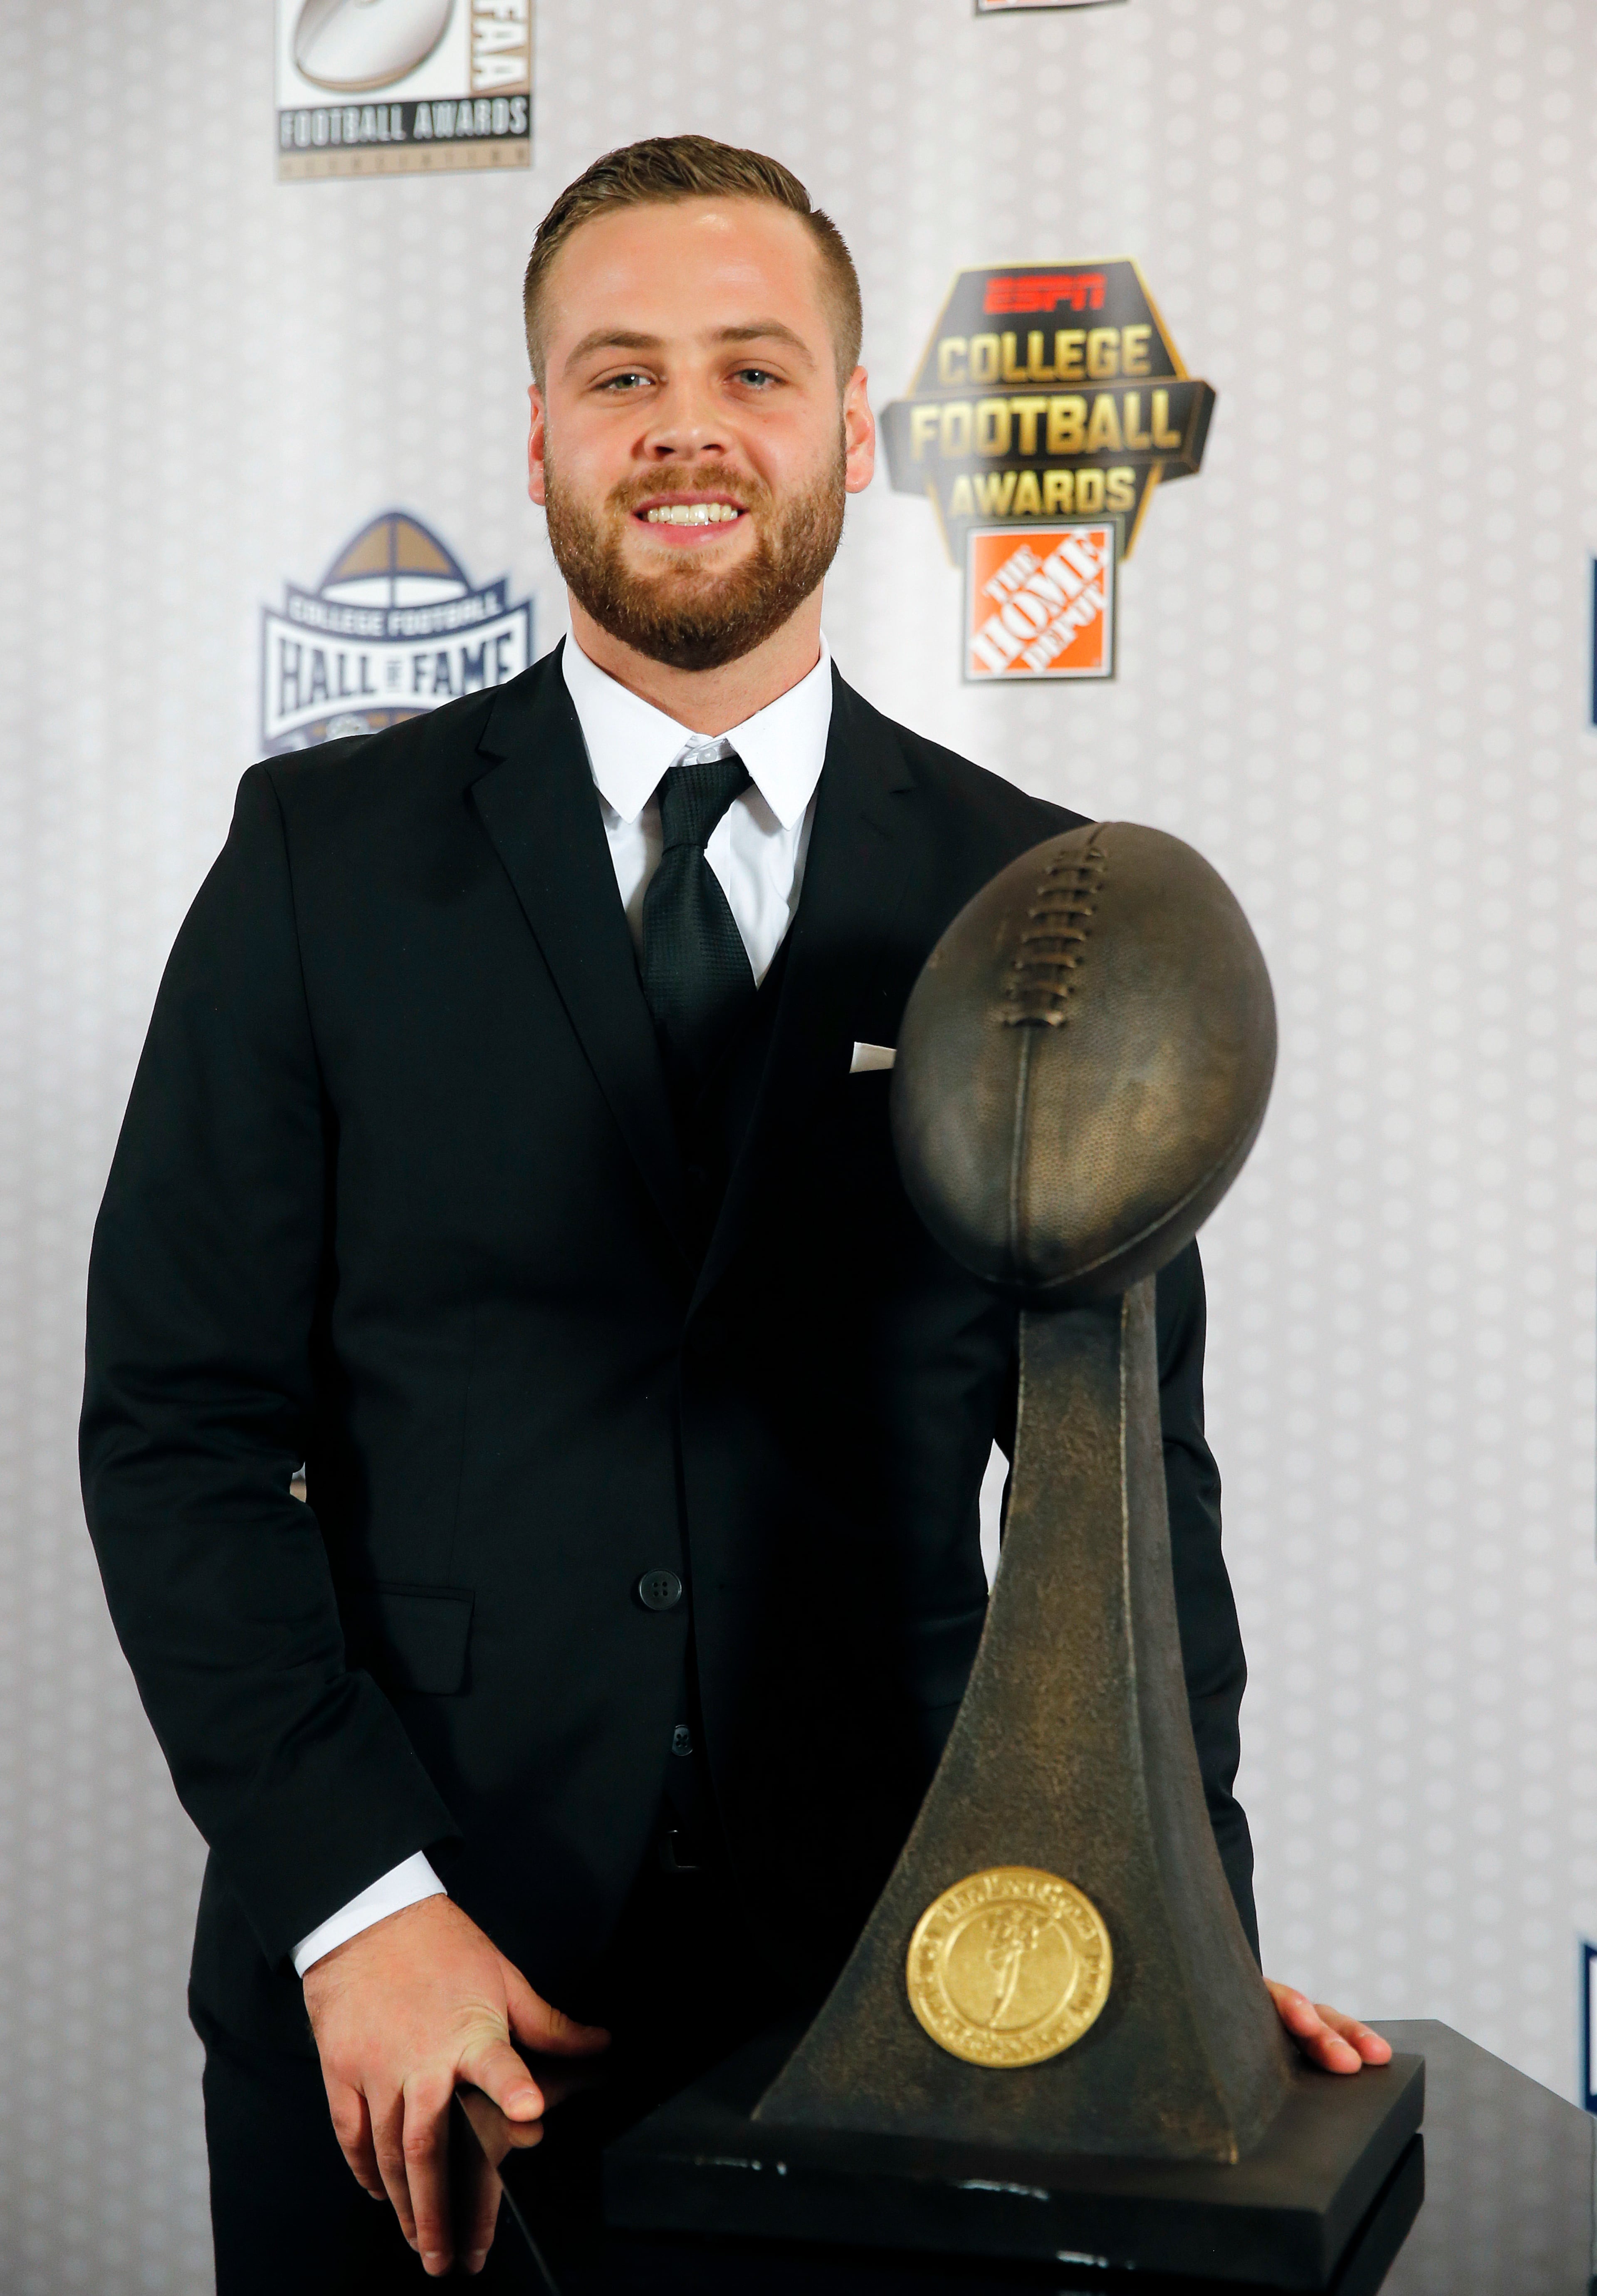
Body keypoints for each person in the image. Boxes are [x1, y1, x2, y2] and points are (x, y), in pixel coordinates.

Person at [79, 134, 1388, 2294]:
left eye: (753, 370)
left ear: (855, 431)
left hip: (899, 2001)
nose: (687, 427)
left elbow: (1129, 1499)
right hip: (422, 2002)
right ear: (537, 437)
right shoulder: (318, 862)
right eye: (621, 375)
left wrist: (1171, 1938)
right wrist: (358, 1902)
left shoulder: (1039, 906)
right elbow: (179, 1436)